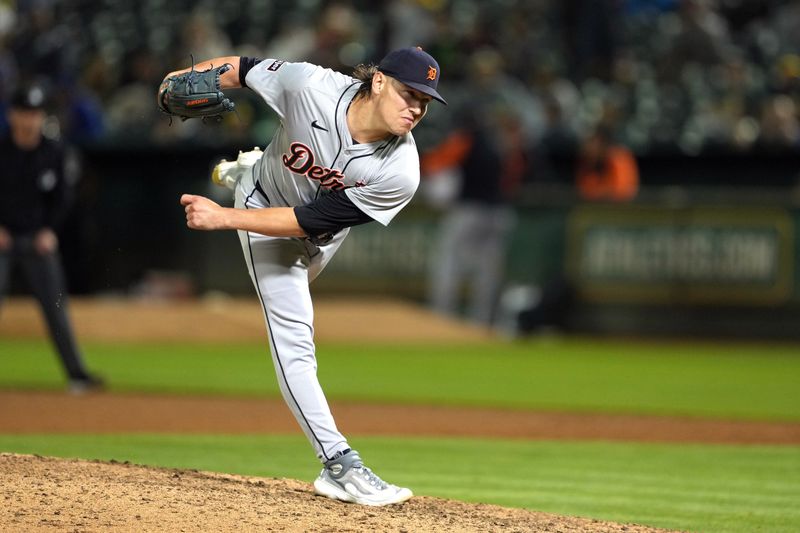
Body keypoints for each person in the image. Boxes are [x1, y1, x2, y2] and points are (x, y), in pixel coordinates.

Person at [161, 47, 446, 506]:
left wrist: (219, 218)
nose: (415, 107)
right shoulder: (309, 86)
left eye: (425, 101)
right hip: (259, 207)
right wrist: (173, 77)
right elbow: (242, 69)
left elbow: (310, 221)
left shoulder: (401, 171)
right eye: (408, 93)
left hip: (317, 232)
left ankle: (251, 165)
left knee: (302, 230)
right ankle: (340, 465)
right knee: (294, 336)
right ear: (378, 82)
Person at [0, 83, 104, 394]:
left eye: (33, 114)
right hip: (2, 240)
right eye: (23, 113)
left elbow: (63, 199)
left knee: (56, 308)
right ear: (11, 115)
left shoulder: (54, 151)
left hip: (37, 240)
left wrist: (49, 230)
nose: (28, 120)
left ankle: (77, 374)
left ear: (41, 116)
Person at [575, 125, 639, 202]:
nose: (588, 147)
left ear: (603, 143)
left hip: (619, 211)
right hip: (593, 209)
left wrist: (599, 193)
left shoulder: (618, 157)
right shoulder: (588, 162)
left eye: (593, 142)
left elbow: (623, 192)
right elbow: (585, 191)